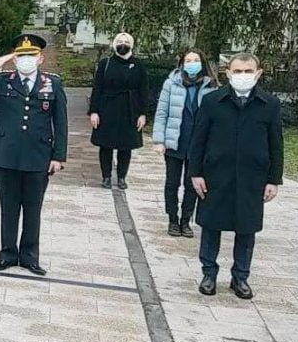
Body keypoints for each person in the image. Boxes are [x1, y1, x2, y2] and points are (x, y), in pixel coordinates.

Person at [0, 34, 68, 276]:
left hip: (38, 156)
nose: (26, 60)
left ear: (40, 58)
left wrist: (58, 156)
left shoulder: (52, 84)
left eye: (31, 55)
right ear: (14, 59)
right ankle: (7, 254)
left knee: (33, 209)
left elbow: (60, 122)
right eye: (21, 56)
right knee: (8, 209)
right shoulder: (2, 81)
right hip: (7, 155)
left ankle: (30, 257)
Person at [189, 53, 282, 300]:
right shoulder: (212, 101)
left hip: (252, 177)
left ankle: (240, 277)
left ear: (258, 73)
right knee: (211, 225)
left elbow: (276, 144)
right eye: (238, 71)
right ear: (228, 73)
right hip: (216, 175)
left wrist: (273, 179)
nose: (243, 75)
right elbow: (198, 140)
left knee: (247, 228)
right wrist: (195, 173)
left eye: (248, 71)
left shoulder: (270, 104)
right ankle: (209, 274)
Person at [152, 49, 220, 238]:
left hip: (199, 144)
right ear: (182, 64)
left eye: (195, 60)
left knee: (192, 184)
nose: (192, 64)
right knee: (172, 183)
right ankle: (172, 219)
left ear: (202, 63)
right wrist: (159, 140)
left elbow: (217, 119)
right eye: (188, 60)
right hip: (176, 141)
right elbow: (162, 112)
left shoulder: (211, 86)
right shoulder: (171, 83)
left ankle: (186, 220)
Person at [88, 32, 149, 190]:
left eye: (126, 42)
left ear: (131, 45)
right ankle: (106, 177)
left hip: (130, 109)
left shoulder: (138, 65)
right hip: (107, 108)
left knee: (125, 146)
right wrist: (93, 111)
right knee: (105, 145)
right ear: (114, 44)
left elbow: (143, 91)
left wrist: (143, 114)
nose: (123, 44)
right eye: (120, 41)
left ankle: (122, 177)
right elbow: (97, 88)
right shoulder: (105, 63)